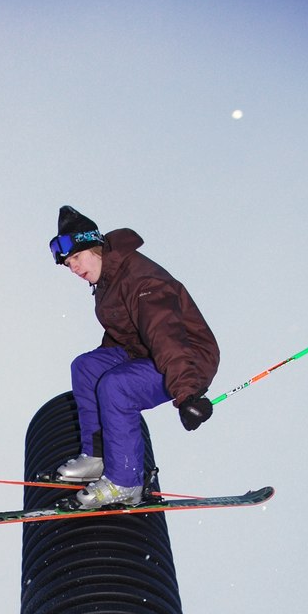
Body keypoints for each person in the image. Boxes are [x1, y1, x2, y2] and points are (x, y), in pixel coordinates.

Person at [49, 205, 220, 508]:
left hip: (186, 358)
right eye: (68, 264)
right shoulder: (107, 283)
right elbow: (122, 336)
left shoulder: (140, 280)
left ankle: (126, 482)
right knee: (86, 368)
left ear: (94, 246)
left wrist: (187, 393)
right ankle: (99, 455)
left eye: (76, 257)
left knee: (117, 386)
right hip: (147, 353)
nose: (73, 268)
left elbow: (165, 334)